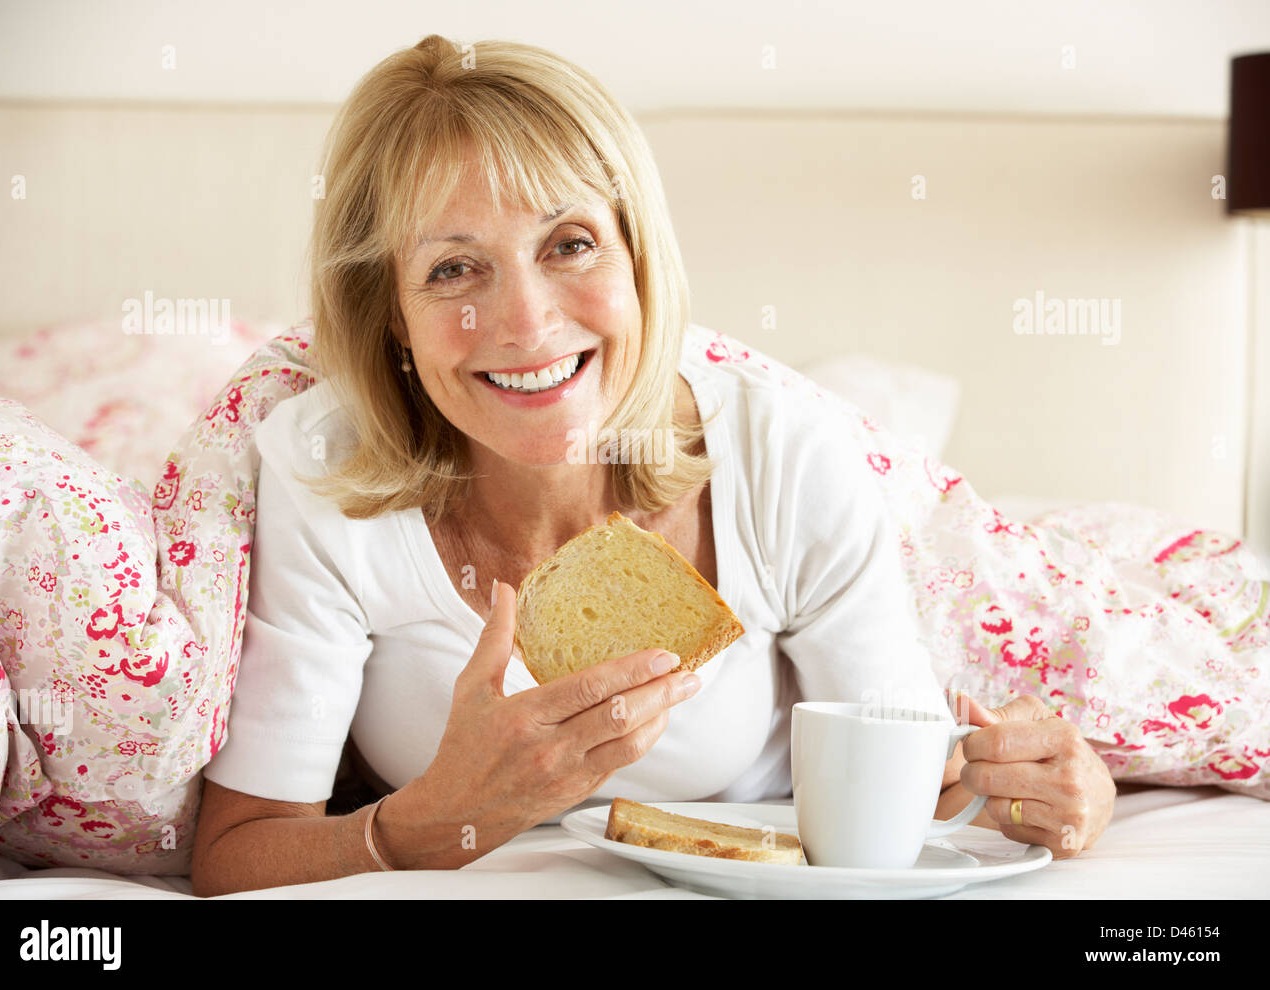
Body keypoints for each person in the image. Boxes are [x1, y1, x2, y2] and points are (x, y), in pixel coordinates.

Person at [191, 34, 1114, 896]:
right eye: (453, 270)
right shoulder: (326, 471)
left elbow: (915, 788)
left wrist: (1050, 787)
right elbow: (237, 854)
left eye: (571, 243)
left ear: (639, 258)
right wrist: (435, 821)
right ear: (389, 312)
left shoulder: (781, 454)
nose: (526, 323)